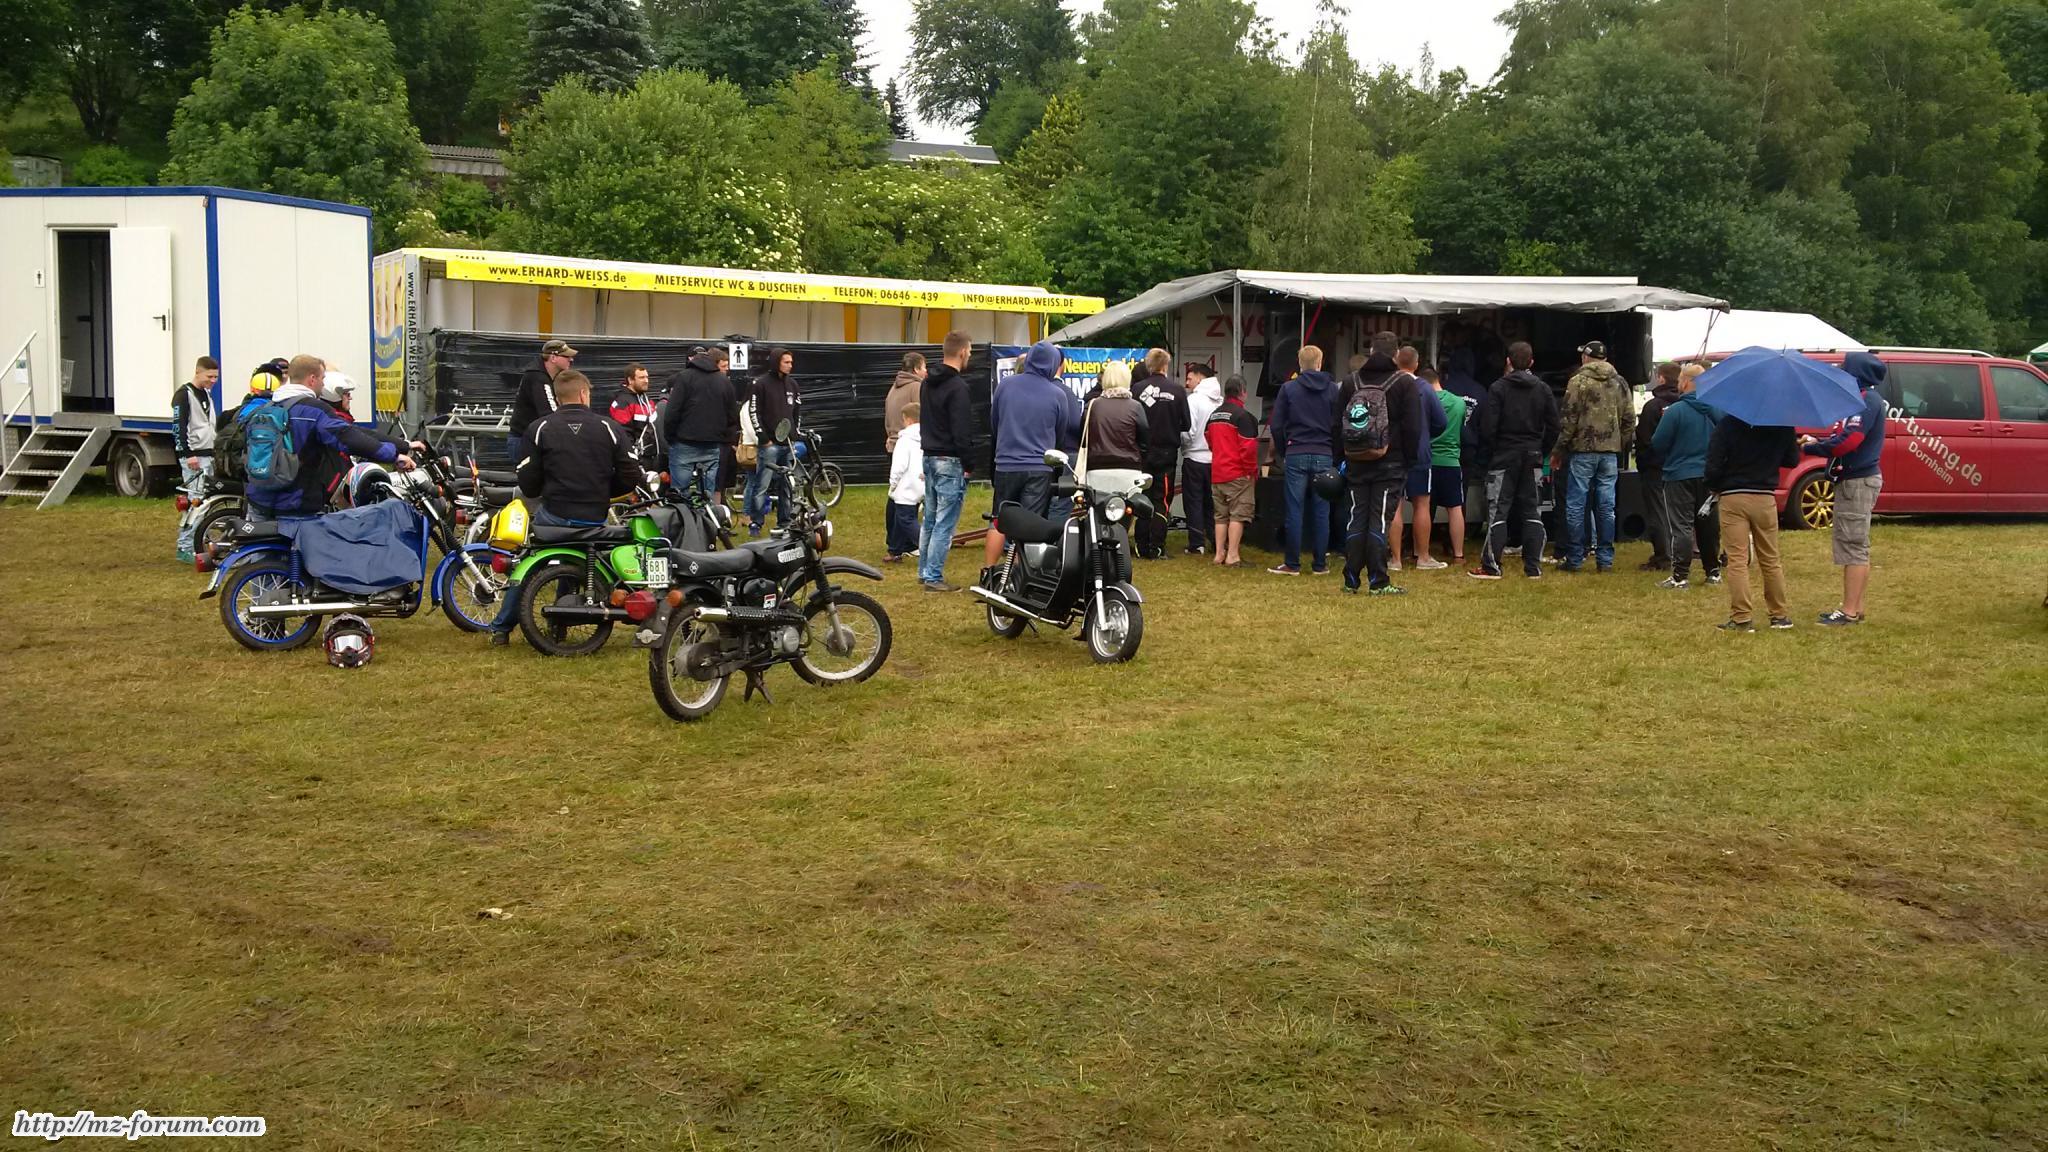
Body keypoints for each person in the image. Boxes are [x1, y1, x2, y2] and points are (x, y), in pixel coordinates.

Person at [488, 370, 639, 645]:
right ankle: (564, 621)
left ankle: (501, 628)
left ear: (558, 398)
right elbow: (631, 474)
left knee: (529, 564)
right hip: (593, 516)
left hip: (554, 515)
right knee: (584, 560)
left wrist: (548, 490)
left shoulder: (539, 428)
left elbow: (528, 482)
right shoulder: (608, 427)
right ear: (583, 394)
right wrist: (604, 493)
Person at [246, 355, 414, 519]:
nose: (323, 384)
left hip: (258, 501)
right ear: (312, 379)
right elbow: (347, 437)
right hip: (294, 506)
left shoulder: (266, 408)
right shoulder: (314, 410)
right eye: (322, 378)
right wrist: (394, 455)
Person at [1802, 350, 1889, 626]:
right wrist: (1819, 441)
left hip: (1857, 481)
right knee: (1856, 545)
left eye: (1844, 369)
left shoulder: (1865, 401)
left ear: (1856, 374)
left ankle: (1848, 612)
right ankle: (1856, 608)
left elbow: (1848, 442)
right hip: (1856, 480)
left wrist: (1813, 448)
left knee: (1853, 546)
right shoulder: (1862, 399)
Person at [1337, 340, 1427, 595]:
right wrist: (1409, 460)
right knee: (1379, 521)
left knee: (1356, 518)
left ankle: (1350, 579)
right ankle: (1378, 581)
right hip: (1390, 463)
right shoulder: (1404, 383)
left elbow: (1337, 423)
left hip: (1356, 461)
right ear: (1396, 354)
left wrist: (1341, 457)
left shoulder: (1351, 382)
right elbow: (1413, 427)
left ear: (1371, 352)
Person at [1469, 341, 1560, 580]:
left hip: (1504, 455)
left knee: (1498, 511)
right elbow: (1554, 426)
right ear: (1531, 362)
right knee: (1532, 511)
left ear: (1508, 361)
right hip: (1532, 456)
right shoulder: (1542, 389)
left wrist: (1493, 451)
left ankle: (1491, 566)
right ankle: (1533, 567)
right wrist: (1541, 450)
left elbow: (1488, 427)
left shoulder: (1498, 388)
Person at [986, 340, 1083, 565]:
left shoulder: (1005, 386)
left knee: (998, 520)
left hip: (1006, 463)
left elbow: (994, 424)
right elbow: (1059, 436)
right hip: (1040, 467)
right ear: (1053, 364)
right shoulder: (1057, 394)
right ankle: (1020, 574)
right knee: (1029, 524)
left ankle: (988, 571)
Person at [1705, 412, 1800, 631]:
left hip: (1733, 495)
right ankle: (1779, 615)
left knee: (1737, 559)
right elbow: (1792, 460)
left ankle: (1742, 617)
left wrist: (1713, 485)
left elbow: (1713, 463)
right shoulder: (1781, 423)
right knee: (1770, 558)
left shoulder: (1728, 424)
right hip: (1765, 496)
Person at [1554, 340, 1636, 573]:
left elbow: (1568, 420)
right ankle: (1605, 559)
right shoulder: (1620, 382)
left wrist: (1559, 450)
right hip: (1609, 454)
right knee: (1606, 506)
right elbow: (1629, 419)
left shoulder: (1578, 382)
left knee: (1576, 505)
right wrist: (1618, 442)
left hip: (1582, 451)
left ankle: (1575, 558)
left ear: (1585, 357)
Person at [1267, 344, 1341, 575]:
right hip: (1324, 452)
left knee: (1294, 509)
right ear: (1320, 363)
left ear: (1299, 364)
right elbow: (1339, 424)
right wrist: (1333, 451)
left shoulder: (1288, 388)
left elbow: (1276, 425)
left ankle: (1292, 563)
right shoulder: (1333, 390)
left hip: (1296, 451)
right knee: (1322, 511)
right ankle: (1320, 564)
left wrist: (1283, 450)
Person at [1649, 362, 1722, 589]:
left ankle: (1680, 576)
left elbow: (1658, 443)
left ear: (1687, 382)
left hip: (1679, 474)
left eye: (1681, 379)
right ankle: (1713, 571)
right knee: (1708, 525)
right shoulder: (1717, 410)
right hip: (1709, 475)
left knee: (1681, 526)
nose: (1679, 383)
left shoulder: (1675, 412)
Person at [918, 330, 975, 592]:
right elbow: (962, 430)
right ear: (962, 352)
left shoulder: (926, 383)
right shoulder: (958, 387)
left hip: (929, 455)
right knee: (944, 522)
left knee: (930, 518)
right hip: (950, 459)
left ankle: (924, 572)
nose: (970, 356)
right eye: (970, 351)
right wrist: (969, 463)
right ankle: (933, 576)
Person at [1388, 362, 1448, 571]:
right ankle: (1423, 557)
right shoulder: (1425, 388)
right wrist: (1426, 434)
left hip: (1393, 453)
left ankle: (1395, 559)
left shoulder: (1388, 384)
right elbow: (1441, 421)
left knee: (1394, 506)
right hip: (1419, 452)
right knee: (1422, 504)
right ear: (1415, 364)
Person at [1131, 348, 1189, 559]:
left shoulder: (1137, 389)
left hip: (1142, 453)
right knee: (1162, 499)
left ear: (1149, 365)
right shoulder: (1177, 390)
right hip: (1166, 454)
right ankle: (1157, 546)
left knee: (1141, 498)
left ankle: (1141, 545)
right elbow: (1187, 424)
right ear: (1166, 365)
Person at [660, 346, 737, 502]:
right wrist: (723, 438)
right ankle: (705, 516)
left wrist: (671, 437)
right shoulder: (724, 381)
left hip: (683, 442)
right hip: (712, 444)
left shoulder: (684, 377)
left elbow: (672, 411)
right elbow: (732, 415)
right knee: (706, 495)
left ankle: (682, 516)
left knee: (680, 495)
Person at [744, 348, 800, 536]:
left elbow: (797, 412)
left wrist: (794, 434)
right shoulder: (760, 384)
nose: (790, 366)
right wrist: (764, 438)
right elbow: (754, 412)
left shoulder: (793, 385)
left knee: (787, 486)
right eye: (786, 362)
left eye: (791, 362)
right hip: (769, 445)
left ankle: (785, 521)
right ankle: (756, 522)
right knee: (762, 485)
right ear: (776, 362)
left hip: (788, 445)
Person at [1204, 374, 1259, 568]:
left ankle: (1219, 554)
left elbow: (1209, 441)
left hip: (1217, 472)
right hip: (1238, 473)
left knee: (1220, 516)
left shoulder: (1214, 415)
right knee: (1238, 515)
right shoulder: (1243, 416)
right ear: (1242, 392)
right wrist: (1251, 471)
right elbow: (1248, 448)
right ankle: (1233, 555)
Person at [1634, 362, 1684, 571]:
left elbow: (1644, 438)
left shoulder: (1653, 406)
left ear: (1661, 378)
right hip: (1680, 466)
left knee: (1657, 512)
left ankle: (1663, 555)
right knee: (1678, 513)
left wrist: (1644, 462)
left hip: (1655, 467)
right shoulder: (1684, 406)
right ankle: (1680, 552)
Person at [171, 356, 221, 562]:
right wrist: (187, 453)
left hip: (208, 453)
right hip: (194, 457)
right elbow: (178, 426)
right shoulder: (184, 394)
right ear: (198, 372)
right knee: (196, 502)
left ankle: (195, 541)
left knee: (205, 502)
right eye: (210, 376)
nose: (213, 381)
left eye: (216, 377)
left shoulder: (206, 394)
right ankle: (184, 547)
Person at [1423, 366, 1470, 567]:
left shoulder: (1423, 401)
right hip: (1451, 461)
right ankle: (1458, 554)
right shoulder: (1459, 403)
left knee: (1423, 508)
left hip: (1428, 461)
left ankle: (1420, 551)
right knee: (1455, 508)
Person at [508, 338, 576, 464]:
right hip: (525, 441)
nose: (571, 359)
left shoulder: (546, 377)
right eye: (566, 356)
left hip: (531, 439)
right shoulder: (538, 378)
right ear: (553, 358)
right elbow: (549, 413)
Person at [1182, 365, 1222, 555]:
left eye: (1189, 378)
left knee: (1194, 502)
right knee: (1212, 503)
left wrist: (1183, 444)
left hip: (1194, 457)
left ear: (1200, 377)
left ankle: (1197, 543)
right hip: (1216, 459)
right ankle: (1216, 540)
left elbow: (1188, 431)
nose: (1186, 383)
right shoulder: (1220, 401)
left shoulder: (1193, 400)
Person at [1082, 360, 1148, 473]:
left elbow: (1083, 440)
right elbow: (1144, 442)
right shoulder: (1136, 407)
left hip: (1097, 468)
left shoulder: (1092, 406)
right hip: (1130, 468)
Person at [886, 402, 924, 563]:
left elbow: (899, 466)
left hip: (905, 488)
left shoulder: (904, 440)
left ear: (908, 419)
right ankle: (895, 550)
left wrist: (893, 483)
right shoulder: (927, 437)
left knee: (906, 520)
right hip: (920, 485)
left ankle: (927, 545)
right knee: (898, 517)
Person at [607, 362, 659, 465]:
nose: (646, 381)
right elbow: (623, 434)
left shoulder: (647, 400)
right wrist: (632, 460)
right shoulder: (622, 403)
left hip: (653, 458)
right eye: (641, 378)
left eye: (647, 377)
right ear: (630, 380)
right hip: (636, 460)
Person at [885, 352, 925, 453]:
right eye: (924, 367)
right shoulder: (916, 387)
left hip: (893, 447)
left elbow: (887, 420)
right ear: (916, 369)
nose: (926, 371)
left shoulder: (893, 388)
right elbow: (922, 417)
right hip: (911, 448)